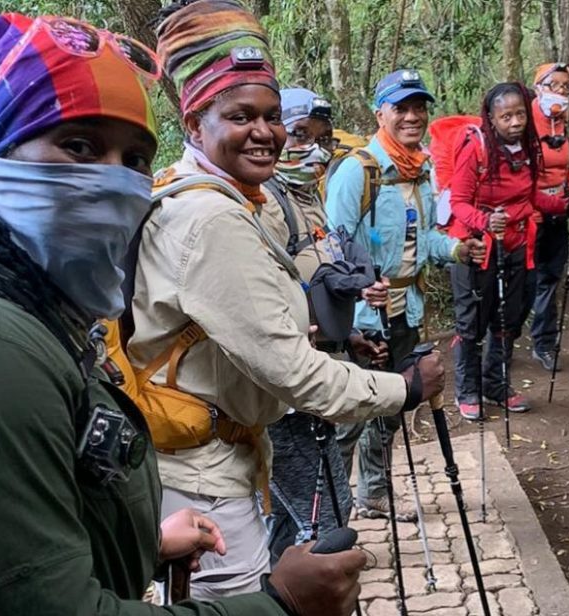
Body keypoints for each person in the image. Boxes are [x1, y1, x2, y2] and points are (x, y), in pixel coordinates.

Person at [0, 14, 367, 616]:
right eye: (79, 145)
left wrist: (140, 541)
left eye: (135, 157)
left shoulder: (26, 307)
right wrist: (282, 603)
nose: (112, 178)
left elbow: (16, 547)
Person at [130, 0, 444, 600]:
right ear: (194, 123)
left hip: (210, 458)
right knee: (244, 603)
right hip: (203, 477)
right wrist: (404, 389)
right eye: (240, 116)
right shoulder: (211, 219)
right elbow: (294, 374)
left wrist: (341, 335)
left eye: (272, 116)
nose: (266, 132)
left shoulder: (214, 194)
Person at [325, 69, 484, 520]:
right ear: (381, 114)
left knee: (393, 405)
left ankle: (374, 493)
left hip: (406, 311)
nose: (412, 116)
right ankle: (330, 512)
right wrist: (358, 287)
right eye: (401, 108)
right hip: (362, 319)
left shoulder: (421, 171)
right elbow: (332, 246)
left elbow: (424, 239)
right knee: (351, 413)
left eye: (419, 108)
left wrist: (456, 250)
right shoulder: (358, 172)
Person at [263, 88, 383, 561]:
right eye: (299, 135)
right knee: (327, 513)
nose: (313, 149)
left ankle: (275, 583)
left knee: (291, 513)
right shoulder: (264, 203)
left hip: (313, 374)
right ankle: (309, 584)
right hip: (285, 389)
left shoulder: (307, 196)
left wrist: (345, 337)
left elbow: (311, 279)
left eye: (323, 139)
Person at [447, 82, 569, 419]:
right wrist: (485, 220)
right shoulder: (476, 149)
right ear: (491, 119)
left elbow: (531, 197)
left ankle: (495, 384)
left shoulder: (529, 149)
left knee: (509, 320)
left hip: (518, 244)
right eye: (506, 116)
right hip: (477, 248)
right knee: (472, 323)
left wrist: (567, 205)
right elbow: (458, 202)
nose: (515, 122)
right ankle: (467, 389)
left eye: (520, 114)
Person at [521, 63, 569, 372]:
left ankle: (544, 345)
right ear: (539, 87)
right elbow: (521, 177)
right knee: (524, 283)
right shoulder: (524, 123)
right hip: (529, 217)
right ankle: (501, 347)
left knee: (550, 280)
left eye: (566, 86)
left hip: (557, 214)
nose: (561, 91)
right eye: (554, 85)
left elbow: (565, 171)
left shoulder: (560, 123)